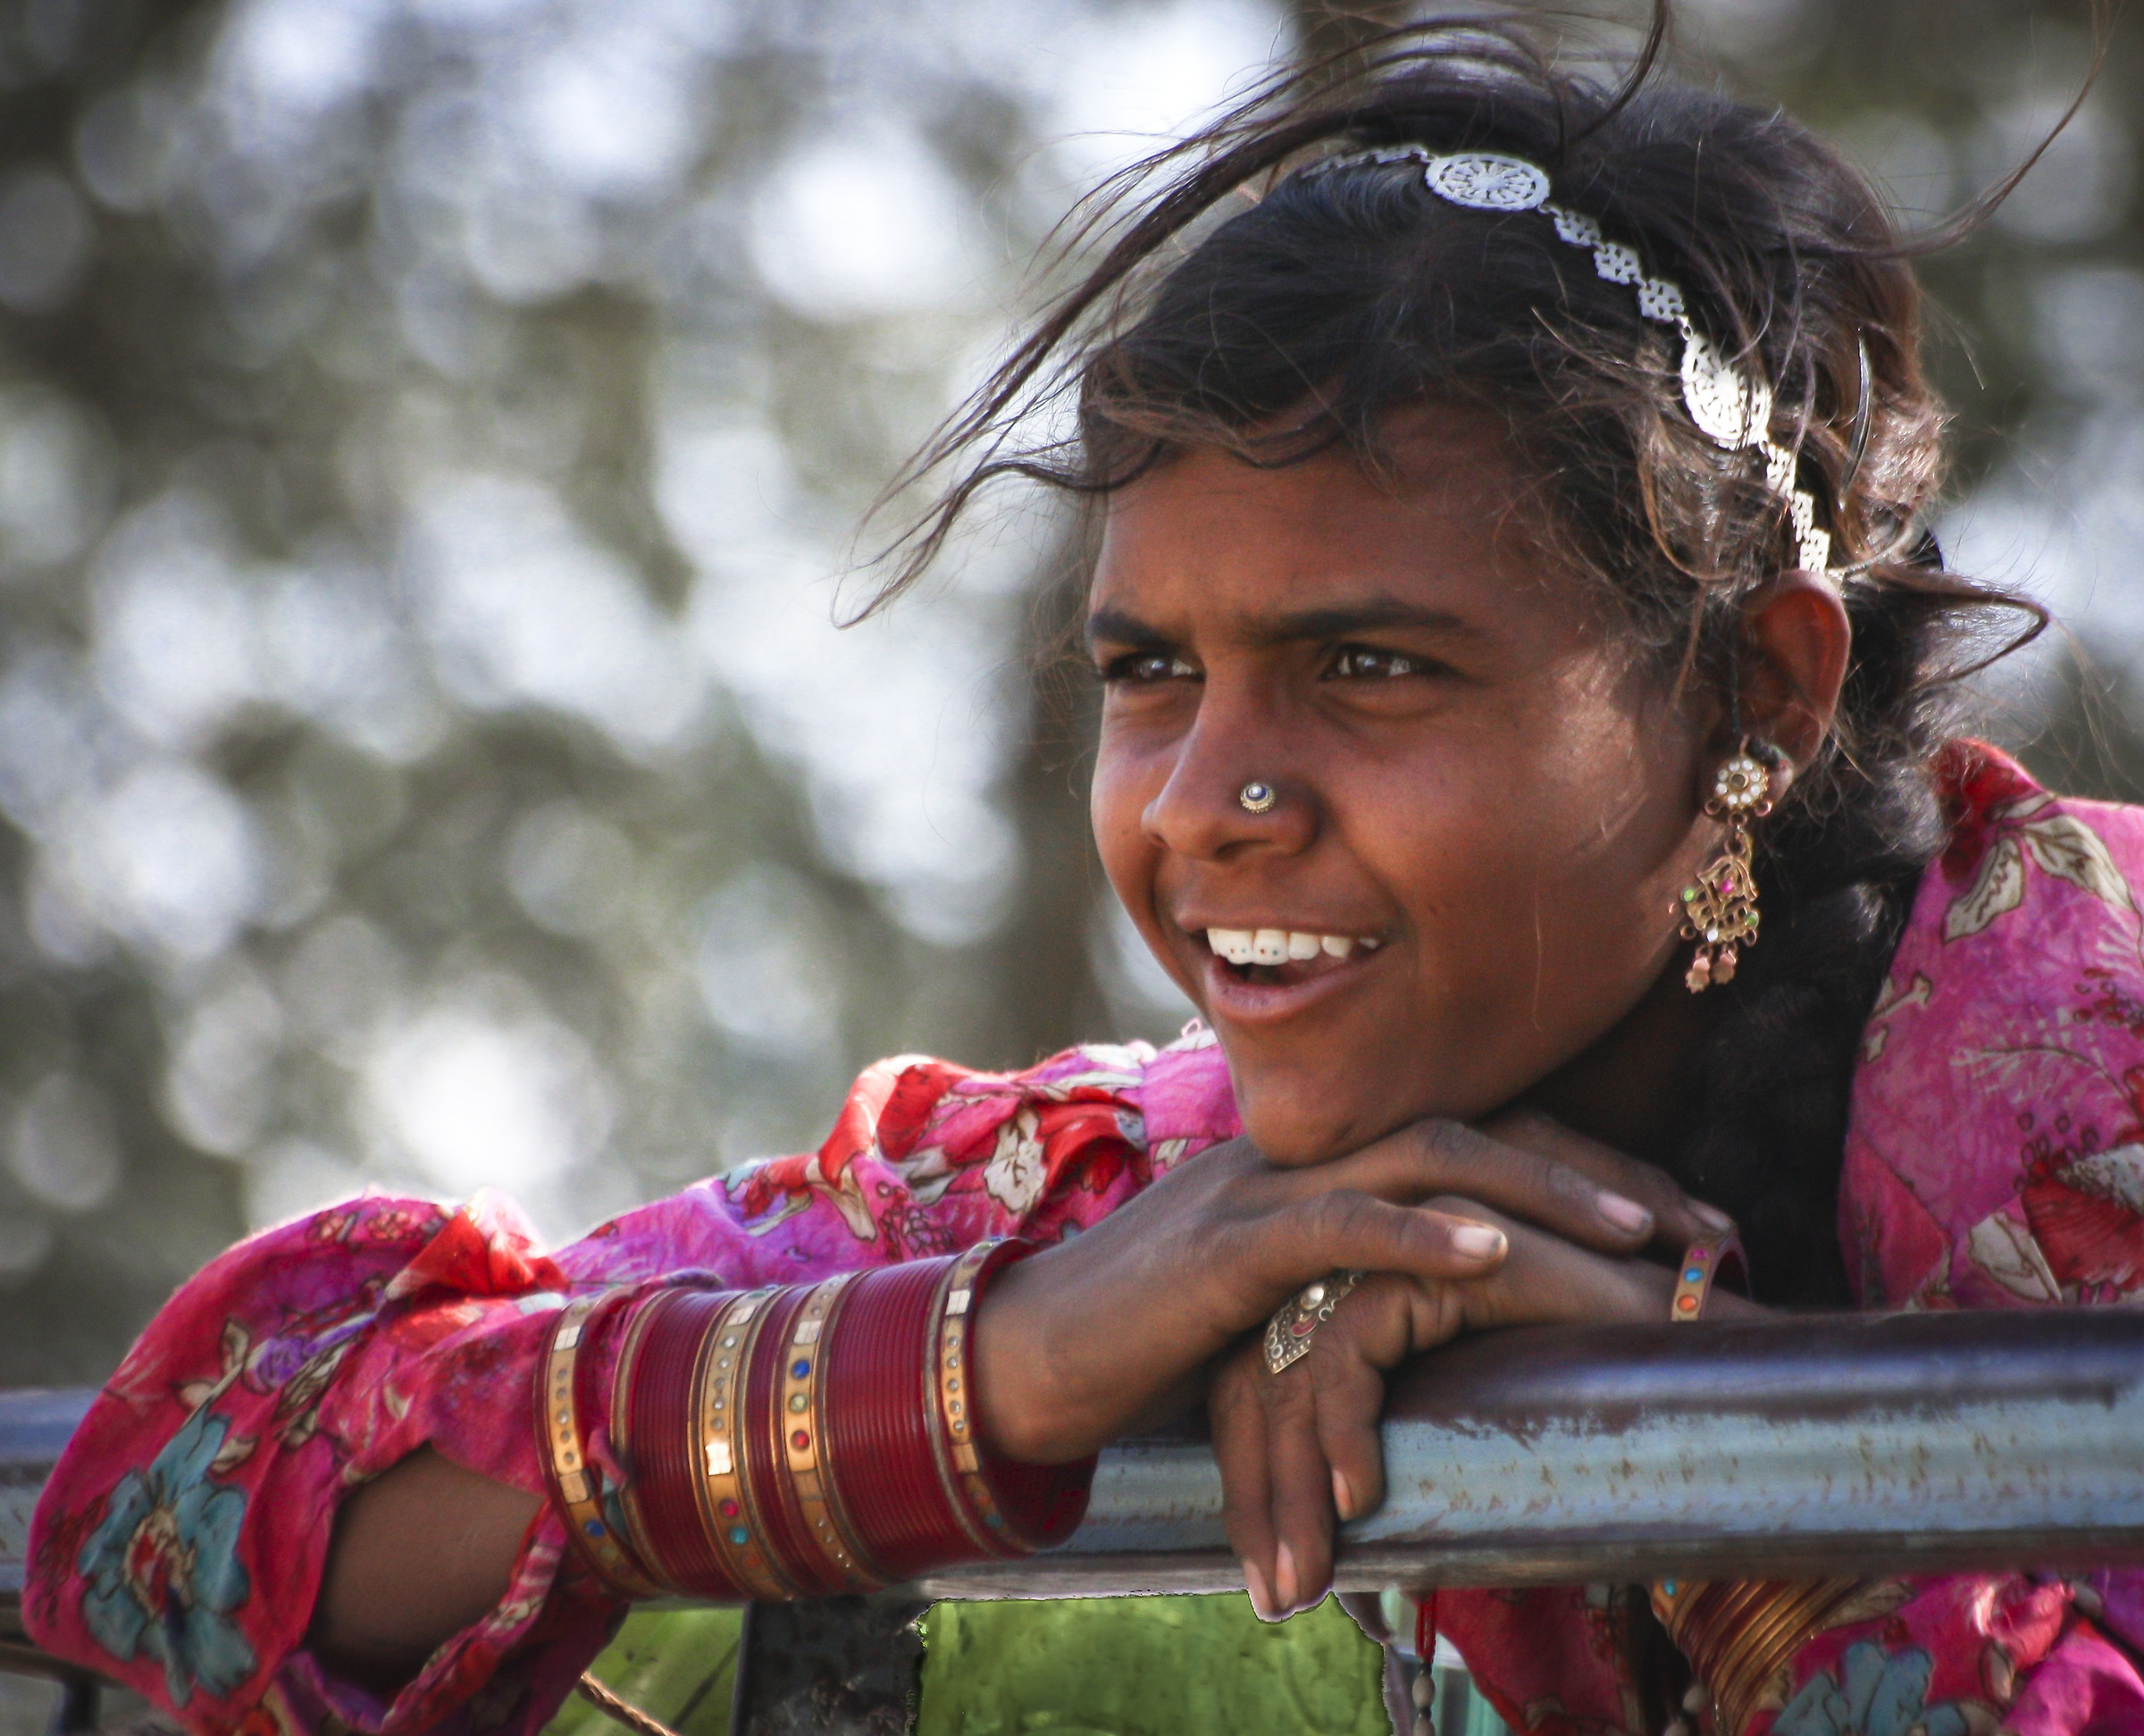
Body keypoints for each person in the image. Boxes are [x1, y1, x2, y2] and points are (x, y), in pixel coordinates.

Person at [26, 13, 2144, 1736]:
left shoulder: (2101, 1067)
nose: (1209, 802)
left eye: (1370, 666)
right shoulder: (1135, 1205)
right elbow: (187, 1500)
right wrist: (998, 1367)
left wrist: (1704, 1460)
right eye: (1150, 672)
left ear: (1757, 701)